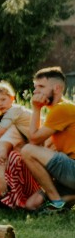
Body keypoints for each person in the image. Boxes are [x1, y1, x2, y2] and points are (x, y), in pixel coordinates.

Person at [20, 67, 75, 212]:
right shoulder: (56, 112)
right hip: (69, 171)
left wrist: (36, 109)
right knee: (32, 204)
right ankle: (68, 198)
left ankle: (57, 202)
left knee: (26, 150)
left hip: (73, 169)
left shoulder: (62, 109)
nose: (36, 91)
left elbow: (33, 141)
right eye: (35, 87)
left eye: (41, 87)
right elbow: (41, 144)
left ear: (57, 88)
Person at [0, 82, 32, 164]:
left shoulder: (14, 110)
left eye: (3, 99)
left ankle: (0, 167)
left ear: (12, 98)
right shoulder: (8, 114)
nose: (0, 104)